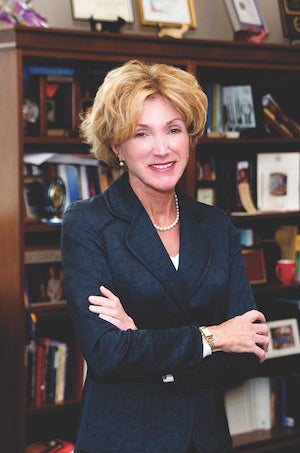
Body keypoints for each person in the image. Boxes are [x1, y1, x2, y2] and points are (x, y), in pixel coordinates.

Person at [61, 60, 269, 453]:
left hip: (205, 439)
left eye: (174, 129)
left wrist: (142, 340)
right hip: (124, 439)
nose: (162, 148)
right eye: (142, 134)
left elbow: (250, 347)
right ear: (117, 146)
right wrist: (214, 336)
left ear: (189, 137)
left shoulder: (215, 224)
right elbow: (107, 354)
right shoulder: (89, 224)